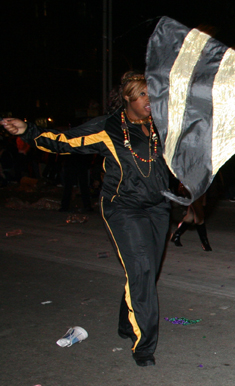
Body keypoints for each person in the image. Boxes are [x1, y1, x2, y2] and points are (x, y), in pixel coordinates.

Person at [2, 71, 171, 366]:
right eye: (143, 94)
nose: (150, 100)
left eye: (153, 93)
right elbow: (63, 140)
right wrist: (28, 130)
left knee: (147, 271)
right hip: (123, 207)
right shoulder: (109, 127)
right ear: (128, 98)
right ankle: (143, 346)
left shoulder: (161, 124)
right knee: (142, 269)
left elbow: (195, 141)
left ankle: (126, 323)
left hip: (158, 207)